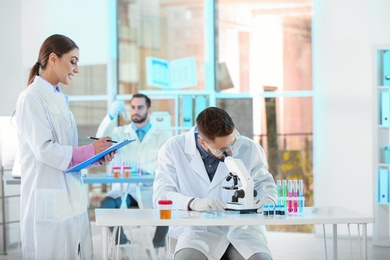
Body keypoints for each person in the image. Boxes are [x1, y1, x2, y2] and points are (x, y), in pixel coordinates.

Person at [14, 34, 117, 259]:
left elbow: (67, 151)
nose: (76, 69)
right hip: (48, 200)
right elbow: (46, 150)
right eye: (73, 61)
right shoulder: (31, 98)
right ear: (53, 58)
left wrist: (97, 155)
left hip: (70, 198)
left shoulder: (59, 98)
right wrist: (90, 150)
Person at [153, 107, 277, 260]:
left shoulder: (250, 148)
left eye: (233, 143)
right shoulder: (173, 148)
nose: (231, 152)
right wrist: (193, 203)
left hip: (243, 229)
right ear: (202, 143)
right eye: (223, 149)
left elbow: (266, 185)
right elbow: (161, 195)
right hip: (197, 230)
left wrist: (267, 199)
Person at [96, 93, 171, 249]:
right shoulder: (119, 132)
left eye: (140, 107)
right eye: (133, 107)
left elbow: (166, 161)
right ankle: (122, 244)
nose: (135, 111)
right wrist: (110, 116)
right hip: (126, 190)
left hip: (151, 190)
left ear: (149, 109)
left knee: (168, 206)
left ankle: (158, 245)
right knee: (106, 204)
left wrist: (143, 169)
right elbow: (100, 140)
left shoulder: (162, 135)